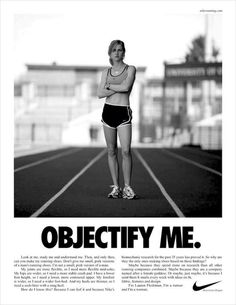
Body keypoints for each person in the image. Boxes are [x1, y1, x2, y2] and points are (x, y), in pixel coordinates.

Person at [97, 40, 137, 199]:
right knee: (111, 151)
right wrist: (115, 86)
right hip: (108, 112)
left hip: (123, 113)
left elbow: (126, 88)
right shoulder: (105, 72)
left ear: (124, 52)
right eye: (114, 50)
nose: (117, 52)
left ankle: (127, 187)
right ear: (110, 53)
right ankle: (116, 187)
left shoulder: (131, 69)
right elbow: (100, 93)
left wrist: (109, 86)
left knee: (126, 151)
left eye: (120, 50)